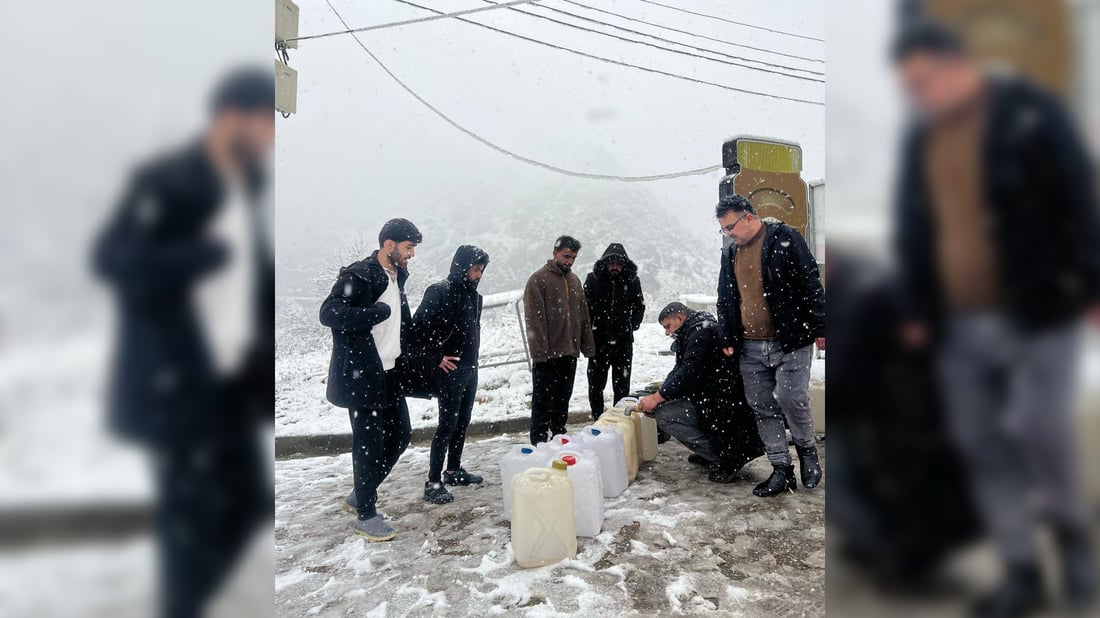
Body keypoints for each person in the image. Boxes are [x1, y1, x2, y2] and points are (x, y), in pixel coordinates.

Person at [892, 20, 1100, 616]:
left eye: (926, 81)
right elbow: (914, 229)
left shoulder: (1030, 115)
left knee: (1040, 433)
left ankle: (1072, 545)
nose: (920, 95)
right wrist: (915, 307)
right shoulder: (922, 140)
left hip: (1038, 308)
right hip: (957, 321)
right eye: (911, 87)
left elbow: (1079, 201)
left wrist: (1088, 284)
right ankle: (1022, 568)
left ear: (959, 67)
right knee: (980, 444)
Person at [92, 67, 275, 618]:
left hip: (232, 386)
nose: (269, 138)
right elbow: (113, 259)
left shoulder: (248, 188)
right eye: (265, 123)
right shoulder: (167, 180)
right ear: (229, 118)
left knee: (243, 508)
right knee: (191, 529)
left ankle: (193, 596)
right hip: (176, 385)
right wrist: (191, 260)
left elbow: (250, 282)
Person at [715, 195, 826, 498]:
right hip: (749, 345)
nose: (729, 233)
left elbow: (810, 281)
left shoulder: (785, 238)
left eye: (730, 227)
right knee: (762, 407)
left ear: (748, 218)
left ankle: (806, 452)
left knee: (792, 398)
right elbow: (725, 296)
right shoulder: (730, 252)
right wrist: (727, 336)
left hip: (791, 339)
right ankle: (781, 469)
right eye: (723, 230)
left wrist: (821, 325)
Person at [321, 218, 421, 542]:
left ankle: (360, 494)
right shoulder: (359, 274)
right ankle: (366, 513)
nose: (411, 255)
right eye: (408, 248)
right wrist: (373, 314)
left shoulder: (396, 277)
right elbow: (329, 312)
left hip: (389, 373)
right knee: (368, 445)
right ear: (388, 245)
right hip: (363, 376)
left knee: (401, 435)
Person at [636, 303, 765, 483]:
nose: (667, 332)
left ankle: (726, 459)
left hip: (723, 403)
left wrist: (658, 399)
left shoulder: (701, 333)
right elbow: (680, 369)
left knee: (665, 416)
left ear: (680, 318)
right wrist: (660, 395)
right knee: (666, 409)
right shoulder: (694, 330)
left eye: (668, 326)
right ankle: (714, 453)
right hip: (713, 399)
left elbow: (688, 372)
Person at [412, 245, 490, 504]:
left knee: (462, 422)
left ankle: (453, 471)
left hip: (470, 369)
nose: (478, 275)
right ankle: (432, 482)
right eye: (475, 269)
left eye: (481, 271)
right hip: (450, 371)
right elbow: (416, 330)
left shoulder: (473, 297)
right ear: (461, 267)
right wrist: (436, 358)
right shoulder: (440, 291)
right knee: (447, 425)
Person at [523, 236, 595, 444]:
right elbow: (534, 321)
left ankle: (559, 437)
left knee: (563, 401)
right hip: (547, 356)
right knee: (542, 403)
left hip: (569, 353)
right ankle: (538, 443)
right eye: (566, 256)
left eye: (573, 257)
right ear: (554, 253)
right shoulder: (538, 280)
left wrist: (586, 346)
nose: (569, 261)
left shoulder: (574, 281)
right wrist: (539, 353)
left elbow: (583, 316)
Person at [584, 243, 645, 419]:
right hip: (598, 341)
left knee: (622, 384)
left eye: (619, 264)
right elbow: (584, 307)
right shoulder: (593, 279)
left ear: (624, 264)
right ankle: (597, 417)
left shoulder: (632, 280)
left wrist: (632, 324)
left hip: (623, 342)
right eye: (612, 263)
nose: (615, 267)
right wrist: (589, 328)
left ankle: (619, 418)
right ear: (605, 263)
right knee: (596, 383)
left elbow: (639, 306)